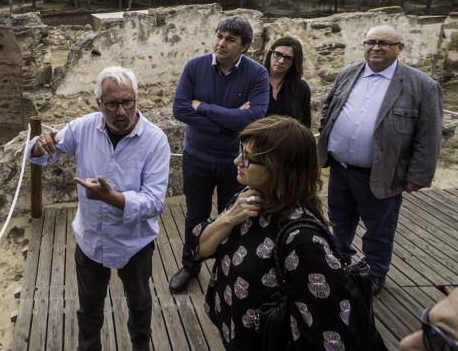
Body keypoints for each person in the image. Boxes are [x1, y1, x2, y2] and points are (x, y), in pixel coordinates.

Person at [189, 116, 361, 350]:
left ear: (278, 168)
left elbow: (330, 332)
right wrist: (229, 218)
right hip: (238, 334)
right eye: (241, 151)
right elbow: (200, 250)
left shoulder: (304, 240)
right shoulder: (246, 198)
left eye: (248, 158)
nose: (237, 160)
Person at [28, 66, 170, 351]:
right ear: (99, 104)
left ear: (136, 99)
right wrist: (39, 145)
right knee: (89, 308)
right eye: (112, 104)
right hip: (91, 239)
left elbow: (154, 202)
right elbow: (40, 153)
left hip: (135, 244)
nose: (121, 111)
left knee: (140, 303)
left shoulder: (155, 140)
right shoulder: (84, 127)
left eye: (127, 101)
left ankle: (141, 345)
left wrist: (111, 197)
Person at [317, 25, 442, 295]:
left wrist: (418, 175)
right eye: (371, 41)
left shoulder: (421, 85)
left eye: (385, 42)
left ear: (400, 48)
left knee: (379, 229)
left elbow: (429, 135)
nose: (376, 47)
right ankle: (338, 262)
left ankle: (374, 273)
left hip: (382, 172)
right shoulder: (348, 73)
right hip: (340, 168)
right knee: (338, 220)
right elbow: (329, 108)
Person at [170, 16, 269, 292]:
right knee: (195, 215)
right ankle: (190, 266)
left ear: (245, 46)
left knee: (233, 215)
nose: (221, 43)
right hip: (196, 158)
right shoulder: (195, 66)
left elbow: (256, 117)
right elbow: (179, 110)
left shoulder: (257, 74)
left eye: (230, 39)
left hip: (233, 161)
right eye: (219, 36)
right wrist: (232, 120)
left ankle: (226, 269)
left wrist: (203, 107)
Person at [264, 36, 311, 126]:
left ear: (294, 62)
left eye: (288, 58)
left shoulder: (301, 88)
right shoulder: (254, 81)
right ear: (270, 53)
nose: (281, 61)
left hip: (290, 139)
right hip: (258, 139)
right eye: (278, 54)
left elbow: (305, 125)